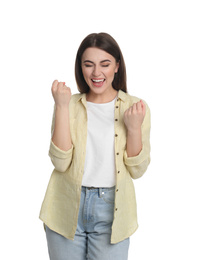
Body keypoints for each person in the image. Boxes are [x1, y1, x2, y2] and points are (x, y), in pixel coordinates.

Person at [39, 32, 151, 260]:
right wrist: (61, 107)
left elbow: (138, 171)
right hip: (66, 204)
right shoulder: (68, 104)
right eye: (88, 64)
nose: (96, 73)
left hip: (112, 209)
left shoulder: (135, 107)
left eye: (105, 64)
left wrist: (133, 128)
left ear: (117, 66)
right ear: (80, 67)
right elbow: (60, 163)